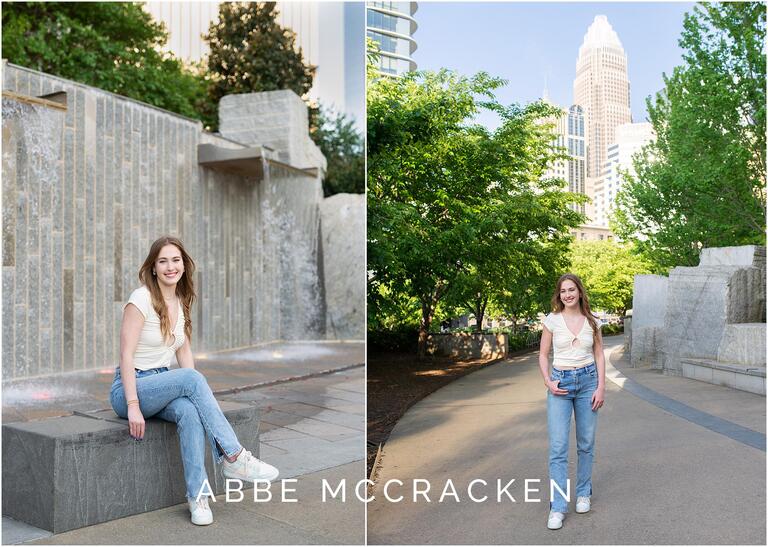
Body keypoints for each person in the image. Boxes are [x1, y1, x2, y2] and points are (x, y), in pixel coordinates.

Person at [109, 235, 279, 526]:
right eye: (162, 261)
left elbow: (184, 353)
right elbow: (125, 355)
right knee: (190, 379)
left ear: (184, 266)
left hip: (161, 383)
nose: (170, 266)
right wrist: (133, 405)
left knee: (189, 412)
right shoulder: (140, 299)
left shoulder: (180, 300)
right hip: (130, 387)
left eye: (175, 260)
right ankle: (234, 456)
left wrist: (197, 396)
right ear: (153, 267)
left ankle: (197, 497)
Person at [538, 273, 605, 530]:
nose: (568, 294)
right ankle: (557, 506)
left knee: (586, 443)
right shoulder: (552, 320)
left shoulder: (592, 321)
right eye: (563, 290)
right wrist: (548, 380)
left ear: (579, 292)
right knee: (558, 447)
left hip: (588, 381)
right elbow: (543, 355)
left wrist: (601, 387)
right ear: (560, 295)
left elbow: (599, 354)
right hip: (561, 384)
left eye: (572, 289)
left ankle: (584, 493)